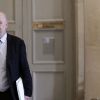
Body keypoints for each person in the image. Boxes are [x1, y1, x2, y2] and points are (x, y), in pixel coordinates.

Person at [0, 12, 32, 100]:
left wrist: (27, 93)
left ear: (6, 25)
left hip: (11, 93)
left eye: (0, 23)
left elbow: (25, 69)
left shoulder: (18, 44)